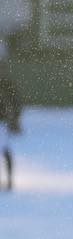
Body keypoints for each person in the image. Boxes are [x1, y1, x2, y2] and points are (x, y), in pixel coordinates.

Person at [0, 59, 21, 192]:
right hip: (4, 122)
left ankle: (9, 180)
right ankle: (8, 180)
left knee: (5, 150)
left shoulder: (8, 85)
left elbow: (16, 103)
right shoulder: (9, 85)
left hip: (3, 123)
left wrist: (14, 120)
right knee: (5, 150)